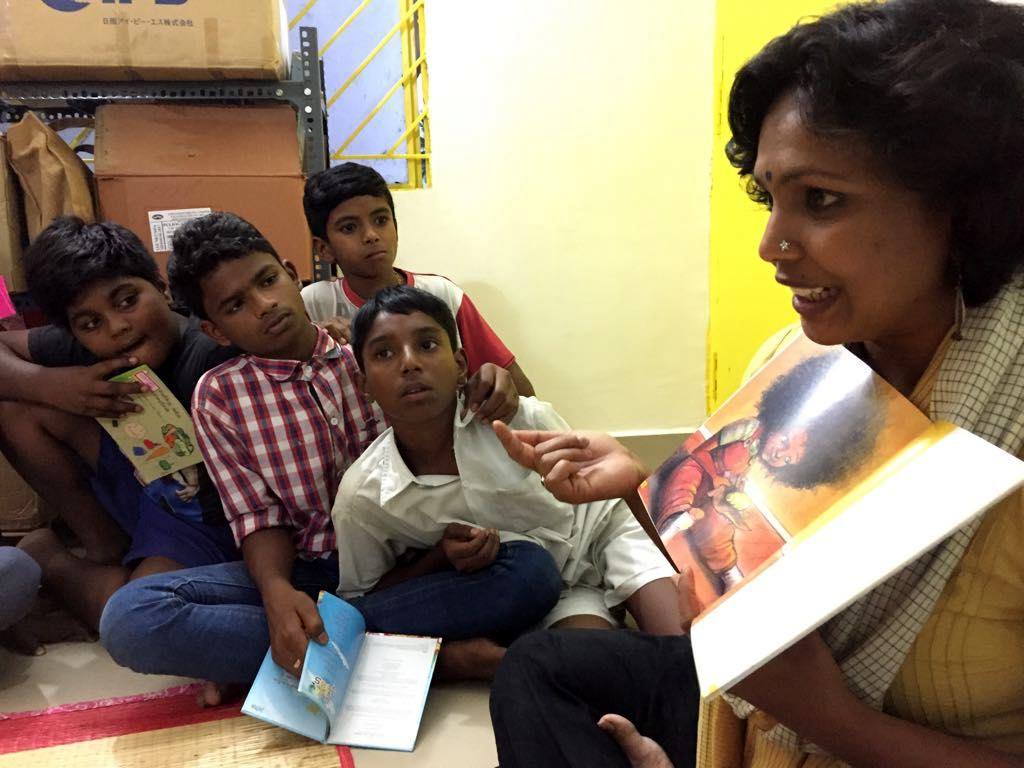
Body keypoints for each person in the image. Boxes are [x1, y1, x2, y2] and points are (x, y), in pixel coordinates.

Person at [489, 1, 1024, 766]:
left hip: (815, 719)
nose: (772, 245)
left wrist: (831, 719)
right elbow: (731, 578)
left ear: (959, 204)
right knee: (542, 666)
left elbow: (788, 681)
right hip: (754, 714)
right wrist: (639, 492)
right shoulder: (799, 360)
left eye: (822, 201)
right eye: (770, 196)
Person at [99, 213, 522, 699]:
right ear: (215, 330)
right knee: (131, 618)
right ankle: (441, 658)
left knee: (526, 573)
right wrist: (277, 594)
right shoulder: (219, 395)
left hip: (417, 560)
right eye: (237, 304)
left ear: (291, 273)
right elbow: (257, 515)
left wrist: (491, 382)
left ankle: (329, 646)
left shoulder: (368, 355)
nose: (264, 305)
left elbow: (451, 404)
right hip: (307, 568)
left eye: (267, 280)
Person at [332, 286, 679, 678]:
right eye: (384, 353)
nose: (409, 363)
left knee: (684, 646)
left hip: (602, 533)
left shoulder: (515, 416)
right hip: (547, 591)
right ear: (363, 385)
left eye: (427, 345)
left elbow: (604, 487)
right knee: (597, 677)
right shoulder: (364, 494)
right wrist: (438, 559)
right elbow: (367, 601)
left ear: (461, 363)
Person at [0, 217, 239, 633]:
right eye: (90, 323)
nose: (117, 327)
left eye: (127, 300)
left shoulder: (209, 353)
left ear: (161, 287)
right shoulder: (85, 346)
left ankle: (49, 559)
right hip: (149, 482)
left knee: (137, 612)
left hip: (212, 518)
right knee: (16, 408)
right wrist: (54, 385)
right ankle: (103, 546)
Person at [300, 162, 535, 395]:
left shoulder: (441, 295)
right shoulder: (313, 304)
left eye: (381, 220)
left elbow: (520, 392)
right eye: (349, 227)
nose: (371, 235)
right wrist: (312, 337)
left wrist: (499, 391)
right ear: (324, 249)